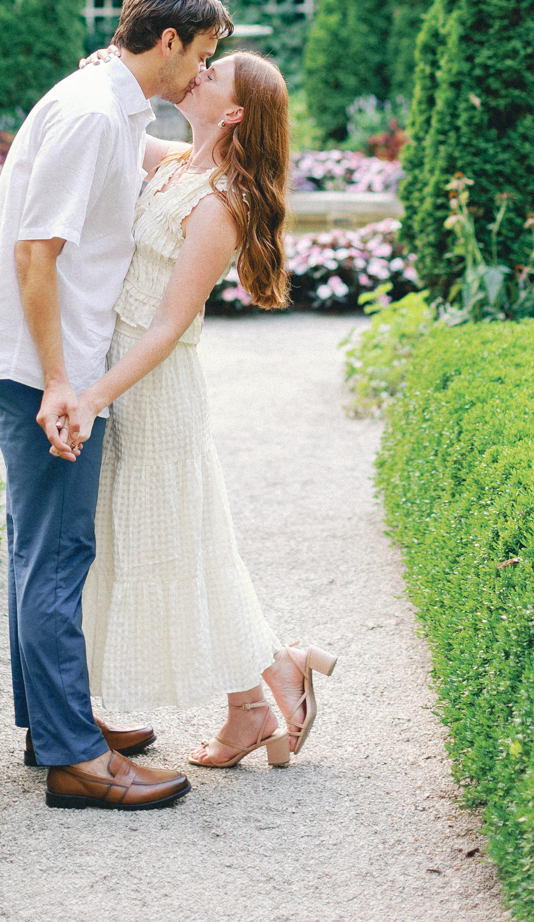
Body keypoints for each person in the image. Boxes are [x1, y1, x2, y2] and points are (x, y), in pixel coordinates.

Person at [0, 0, 232, 812]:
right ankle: (75, 760)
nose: (202, 75)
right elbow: (37, 255)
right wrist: (62, 382)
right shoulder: (92, 112)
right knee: (58, 551)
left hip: (43, 359)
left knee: (40, 544)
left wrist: (229, 145)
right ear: (170, 40)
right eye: (203, 56)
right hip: (45, 365)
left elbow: (166, 165)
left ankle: (56, 726)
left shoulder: (114, 104)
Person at [67, 47, 337, 769]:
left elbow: (165, 326)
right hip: (125, 376)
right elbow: (123, 129)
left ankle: (269, 681)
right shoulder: (180, 161)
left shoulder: (219, 203)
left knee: (180, 547)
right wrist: (109, 69)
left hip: (154, 389)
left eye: (213, 74)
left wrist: (95, 393)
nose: (198, 73)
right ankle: (260, 693)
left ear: (236, 111)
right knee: (183, 544)